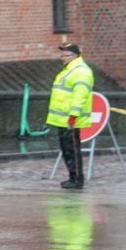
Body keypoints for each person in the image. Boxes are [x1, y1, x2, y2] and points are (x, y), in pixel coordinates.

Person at [46, 43, 94, 189]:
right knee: (67, 149)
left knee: (72, 149)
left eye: (67, 55)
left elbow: (80, 95)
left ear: (76, 56)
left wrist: (73, 115)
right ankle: (73, 177)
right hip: (63, 118)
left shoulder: (81, 72)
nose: (63, 58)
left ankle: (77, 179)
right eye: (63, 55)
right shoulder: (70, 70)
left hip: (70, 119)